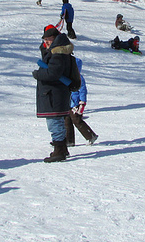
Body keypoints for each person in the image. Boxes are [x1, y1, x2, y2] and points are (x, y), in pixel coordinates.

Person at [32, 27, 80, 162]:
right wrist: (45, 48)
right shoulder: (58, 51)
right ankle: (62, 148)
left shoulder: (58, 53)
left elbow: (53, 73)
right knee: (57, 121)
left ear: (55, 39)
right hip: (56, 93)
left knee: (54, 123)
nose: (46, 42)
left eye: (49, 40)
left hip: (54, 94)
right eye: (45, 40)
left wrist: (38, 74)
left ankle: (59, 151)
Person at [65, 57, 98, 147]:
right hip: (67, 102)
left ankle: (91, 136)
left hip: (76, 103)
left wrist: (82, 102)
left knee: (77, 120)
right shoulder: (67, 77)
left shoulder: (79, 78)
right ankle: (69, 141)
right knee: (67, 121)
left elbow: (83, 91)